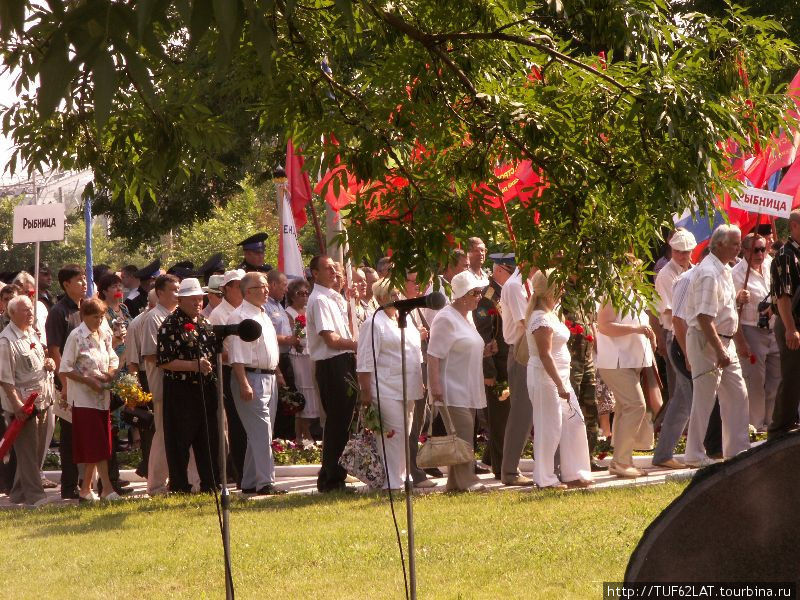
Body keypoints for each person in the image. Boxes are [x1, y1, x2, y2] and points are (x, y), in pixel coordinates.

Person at [684, 224, 750, 466]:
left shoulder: (724, 269)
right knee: (704, 398)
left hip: (725, 341)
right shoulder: (709, 272)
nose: (739, 247)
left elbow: (722, 309)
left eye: (739, 242)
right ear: (719, 244)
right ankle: (694, 455)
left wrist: (736, 299)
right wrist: (720, 350)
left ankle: (738, 451)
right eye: (734, 243)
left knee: (738, 394)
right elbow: (703, 317)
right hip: (707, 341)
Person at [526, 270, 592, 489]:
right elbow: (545, 355)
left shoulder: (550, 313)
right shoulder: (540, 318)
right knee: (549, 427)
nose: (562, 289)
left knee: (574, 421)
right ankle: (544, 478)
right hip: (546, 378)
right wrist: (560, 384)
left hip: (560, 376)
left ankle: (574, 471)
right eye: (559, 286)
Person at [357, 278, 424, 490]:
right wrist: (366, 392)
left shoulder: (404, 319)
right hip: (384, 388)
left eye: (398, 293)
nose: (397, 298)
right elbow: (365, 360)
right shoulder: (373, 323)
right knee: (393, 435)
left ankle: (403, 477)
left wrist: (420, 381)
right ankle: (391, 482)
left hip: (408, 387)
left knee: (406, 435)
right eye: (392, 294)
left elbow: (414, 352)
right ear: (381, 298)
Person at [427, 270, 490, 492]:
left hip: (469, 386)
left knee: (462, 434)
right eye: (475, 293)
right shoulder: (445, 318)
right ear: (462, 295)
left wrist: (486, 350)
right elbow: (433, 354)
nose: (479, 296)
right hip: (452, 388)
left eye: (480, 292)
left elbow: (466, 347)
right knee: (463, 435)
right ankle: (467, 481)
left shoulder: (467, 316)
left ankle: (455, 483)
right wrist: (435, 387)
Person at [157, 278, 220, 493]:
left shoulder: (205, 323)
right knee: (179, 440)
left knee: (208, 438)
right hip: (181, 390)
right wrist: (194, 365)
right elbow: (165, 361)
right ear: (181, 300)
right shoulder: (170, 325)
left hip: (205, 388)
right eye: (192, 299)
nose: (197, 303)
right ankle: (179, 486)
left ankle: (210, 483)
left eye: (200, 299)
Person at [227, 272, 286, 495]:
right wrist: (244, 383)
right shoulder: (241, 317)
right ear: (248, 291)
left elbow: (269, 349)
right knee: (262, 431)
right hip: (251, 377)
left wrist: (277, 373)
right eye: (261, 286)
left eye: (265, 286)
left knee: (260, 432)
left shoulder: (263, 314)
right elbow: (238, 355)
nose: (266, 290)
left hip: (268, 376)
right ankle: (266, 482)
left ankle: (251, 481)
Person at [596, 266, 657, 478]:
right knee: (635, 405)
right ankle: (621, 462)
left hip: (630, 362)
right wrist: (636, 330)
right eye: (634, 270)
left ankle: (623, 461)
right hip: (615, 362)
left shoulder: (633, 293)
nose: (639, 274)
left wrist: (649, 337)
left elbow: (641, 322)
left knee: (625, 408)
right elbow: (604, 326)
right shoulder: (613, 293)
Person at [59, 298, 120, 502]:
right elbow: (66, 367)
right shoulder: (76, 336)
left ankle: (85, 489)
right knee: (97, 443)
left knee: (100, 443)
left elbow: (112, 358)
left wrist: (110, 374)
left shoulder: (103, 335)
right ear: (84, 316)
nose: (99, 321)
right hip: (84, 399)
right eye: (95, 317)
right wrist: (87, 381)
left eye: (101, 317)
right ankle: (107, 489)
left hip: (102, 397)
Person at [307, 255, 358, 493]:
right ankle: (331, 478)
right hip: (332, 363)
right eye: (328, 269)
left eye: (335, 269)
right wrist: (359, 344)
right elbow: (331, 339)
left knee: (344, 420)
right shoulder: (319, 300)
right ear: (315, 273)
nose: (334, 272)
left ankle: (334, 473)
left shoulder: (332, 298)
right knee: (338, 421)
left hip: (343, 360)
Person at [0, 295, 56, 507]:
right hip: (24, 405)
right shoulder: (6, 341)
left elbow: (36, 361)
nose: (30, 313)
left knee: (36, 449)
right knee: (28, 452)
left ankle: (18, 493)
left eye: (31, 309)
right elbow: (5, 379)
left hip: (42, 399)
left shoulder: (31, 333)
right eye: (25, 310)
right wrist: (17, 406)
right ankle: (36, 496)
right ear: (11, 313)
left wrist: (48, 362)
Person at [651, 228, 696, 469]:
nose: (682, 255)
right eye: (678, 251)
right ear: (672, 250)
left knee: (684, 396)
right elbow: (671, 312)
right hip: (676, 335)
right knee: (684, 396)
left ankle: (669, 451)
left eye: (685, 251)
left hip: (691, 334)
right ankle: (665, 453)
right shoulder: (666, 275)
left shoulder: (692, 269)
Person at [45, 264, 87, 500]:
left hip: (88, 382)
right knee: (70, 436)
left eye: (84, 279)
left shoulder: (86, 308)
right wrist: (65, 382)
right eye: (79, 280)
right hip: (69, 385)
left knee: (87, 433)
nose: (83, 284)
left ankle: (88, 482)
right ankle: (69, 485)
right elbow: (54, 350)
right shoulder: (58, 312)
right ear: (66, 284)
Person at [733, 233, 780, 432]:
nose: (760, 254)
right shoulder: (736, 274)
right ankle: (756, 425)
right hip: (751, 329)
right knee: (755, 380)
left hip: (774, 328)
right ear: (744, 251)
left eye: (763, 249)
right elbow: (728, 306)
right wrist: (738, 298)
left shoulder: (772, 264)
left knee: (776, 378)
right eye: (755, 250)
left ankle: (772, 421)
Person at [473, 253, 513, 479]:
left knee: (506, 417)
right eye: (510, 270)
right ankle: (499, 466)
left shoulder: (505, 293)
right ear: (498, 270)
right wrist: (488, 371)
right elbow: (484, 335)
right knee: (500, 420)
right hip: (497, 367)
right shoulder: (488, 297)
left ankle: (491, 458)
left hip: (509, 363)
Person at [141, 273, 180, 495]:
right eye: (173, 289)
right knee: (163, 435)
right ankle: (155, 485)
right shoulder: (154, 318)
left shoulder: (178, 316)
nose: (177, 293)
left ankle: (180, 481)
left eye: (179, 289)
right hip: (163, 386)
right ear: (160, 293)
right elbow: (151, 355)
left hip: (181, 387)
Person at [498, 260, 536, 486]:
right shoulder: (514, 286)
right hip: (521, 350)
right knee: (522, 412)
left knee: (530, 412)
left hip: (532, 348)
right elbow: (526, 321)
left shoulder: (528, 283)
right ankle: (509, 470)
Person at [209, 269, 247, 486]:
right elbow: (218, 352)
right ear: (227, 288)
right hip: (229, 370)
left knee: (246, 424)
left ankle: (245, 471)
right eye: (236, 284)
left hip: (246, 369)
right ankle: (240, 473)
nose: (240, 287)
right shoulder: (219, 314)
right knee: (236, 423)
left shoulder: (245, 309)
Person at [402, 271, 438, 487]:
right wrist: (419, 335)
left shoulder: (416, 307)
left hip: (420, 369)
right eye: (415, 282)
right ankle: (413, 472)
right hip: (408, 371)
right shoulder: (400, 309)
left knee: (419, 421)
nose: (419, 286)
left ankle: (416, 467)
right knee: (411, 423)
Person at [768, 210, 800, 439]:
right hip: (792, 322)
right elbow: (783, 296)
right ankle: (779, 429)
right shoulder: (786, 255)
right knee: (792, 375)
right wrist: (790, 328)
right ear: (794, 226)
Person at [285, 278, 321, 442]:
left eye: (307, 293)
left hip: (311, 355)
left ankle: (305, 436)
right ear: (292, 295)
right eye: (301, 293)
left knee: (313, 392)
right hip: (298, 357)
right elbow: (292, 336)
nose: (305, 296)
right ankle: (301, 436)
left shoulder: (309, 310)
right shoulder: (288, 313)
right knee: (302, 394)